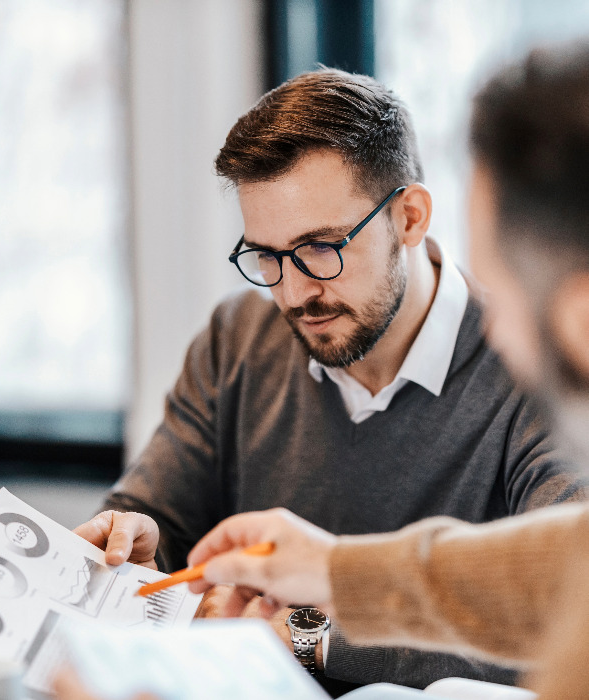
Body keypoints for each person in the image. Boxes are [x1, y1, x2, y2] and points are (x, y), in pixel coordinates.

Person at [72, 67, 587, 690]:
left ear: (411, 217)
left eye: (321, 247)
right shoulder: (240, 337)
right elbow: (156, 521)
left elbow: (560, 613)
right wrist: (136, 552)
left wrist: (312, 635)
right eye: (266, 255)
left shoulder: (537, 362)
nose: (293, 292)